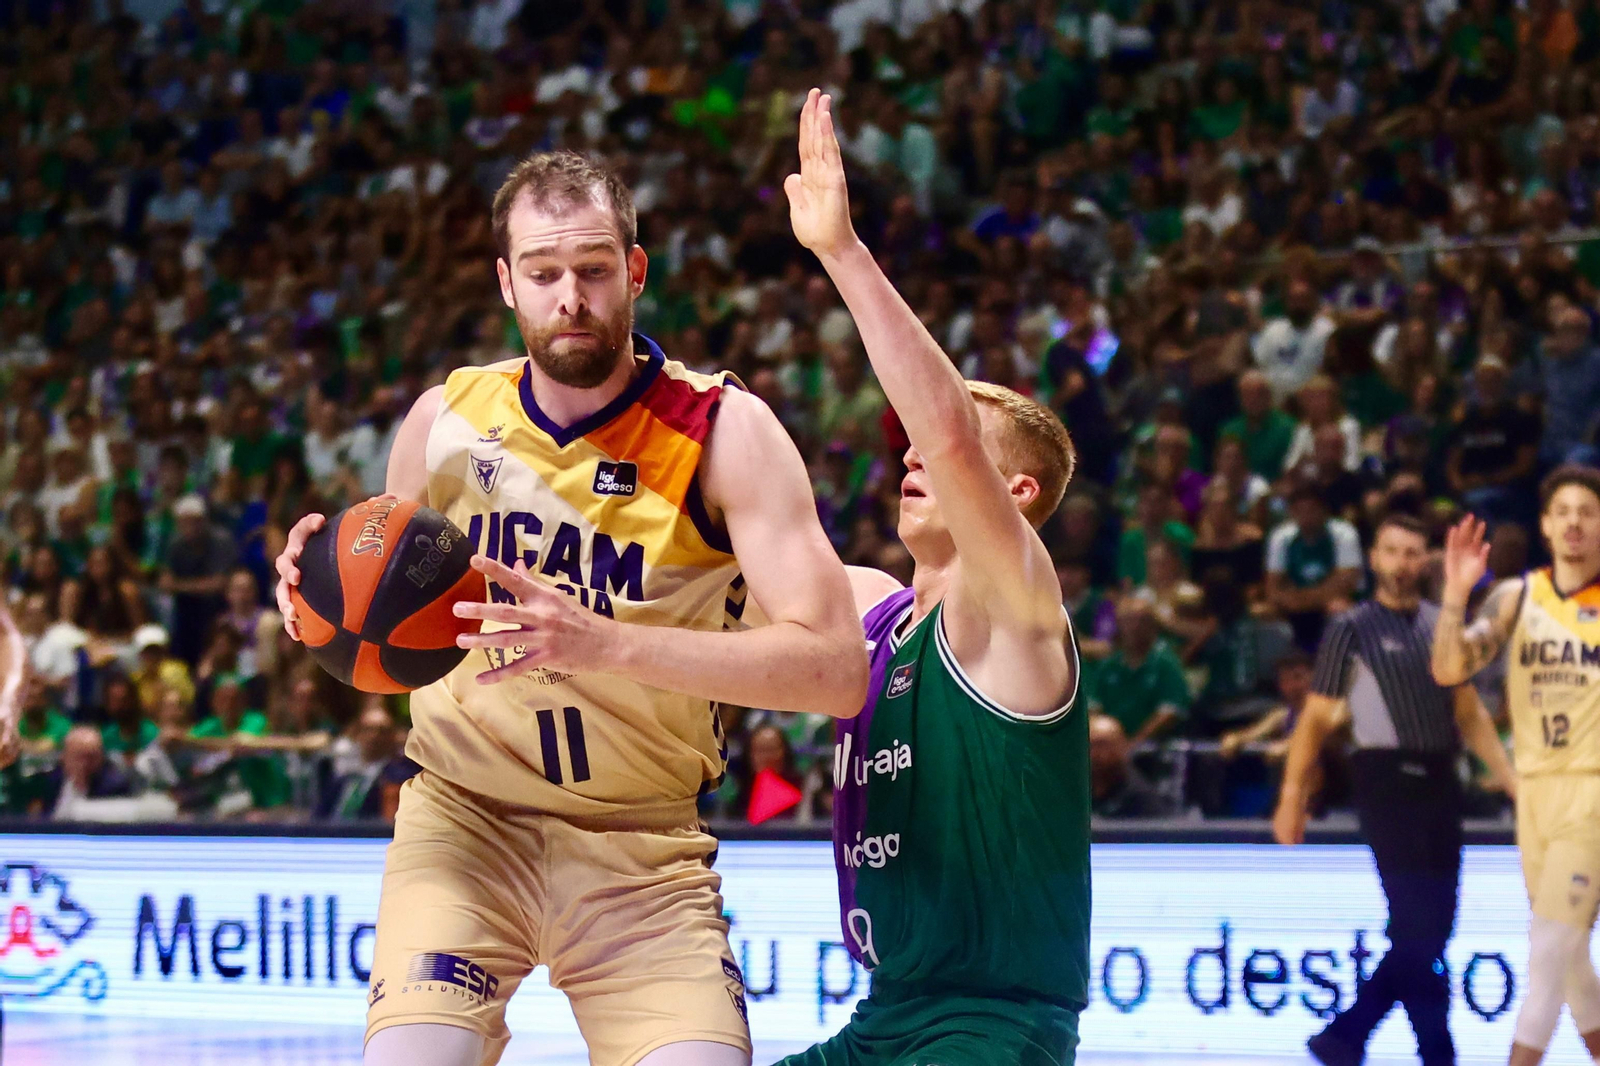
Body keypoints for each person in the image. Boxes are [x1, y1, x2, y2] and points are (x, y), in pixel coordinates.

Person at [274, 147, 868, 1066]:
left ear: (634, 270)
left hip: (643, 847)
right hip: (463, 824)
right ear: (508, 283)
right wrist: (314, 600)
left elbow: (835, 672)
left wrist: (606, 644)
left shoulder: (723, 431)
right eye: (544, 274)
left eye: (593, 270)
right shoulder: (444, 420)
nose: (571, 297)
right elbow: (386, 622)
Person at [774, 90, 1086, 1066]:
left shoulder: (1017, 613)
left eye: (936, 448)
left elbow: (946, 429)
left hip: (991, 1026)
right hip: (882, 1018)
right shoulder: (874, 609)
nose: (911, 451)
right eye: (898, 444)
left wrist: (840, 252)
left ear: (1017, 490)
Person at [1274, 514, 1516, 1066]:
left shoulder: (1442, 624)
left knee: (1431, 931)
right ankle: (1430, 1048)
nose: (1402, 564)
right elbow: (1313, 721)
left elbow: (1471, 714)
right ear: (1374, 559)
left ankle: (1352, 1037)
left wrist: (1511, 781)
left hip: (1440, 781)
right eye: (1391, 552)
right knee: (1418, 924)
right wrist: (1292, 797)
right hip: (1385, 782)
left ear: (1424, 560)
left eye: (1412, 553)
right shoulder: (1351, 629)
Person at [1431, 466, 1600, 1066]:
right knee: (1573, 963)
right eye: (1566, 512)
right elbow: (1449, 671)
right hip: (1533, 794)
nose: (1576, 522)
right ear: (1547, 526)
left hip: (1592, 793)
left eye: (1589, 511)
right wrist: (1455, 594)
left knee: (1548, 948)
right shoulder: (1516, 596)